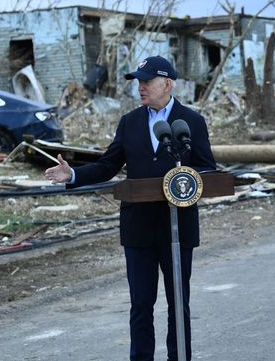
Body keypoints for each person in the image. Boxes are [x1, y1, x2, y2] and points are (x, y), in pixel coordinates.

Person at [44, 55, 216, 361]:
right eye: (138, 82)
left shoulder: (191, 122)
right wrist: (72, 175)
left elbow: (206, 170)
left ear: (167, 83)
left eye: (147, 81)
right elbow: (108, 165)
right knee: (140, 305)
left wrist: (185, 180)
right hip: (138, 229)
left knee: (179, 303)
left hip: (177, 228)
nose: (141, 88)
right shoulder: (130, 122)